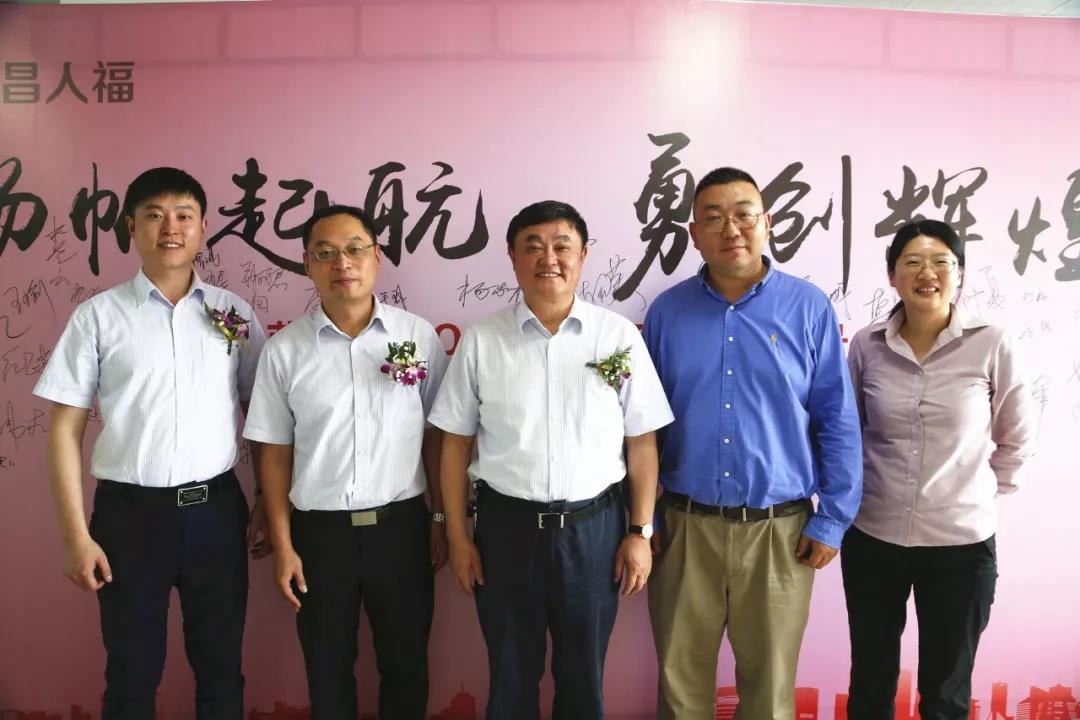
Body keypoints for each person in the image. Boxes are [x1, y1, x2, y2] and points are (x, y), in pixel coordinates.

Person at [34, 166, 268, 718]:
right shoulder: (98, 317)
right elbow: (64, 430)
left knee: (221, 669)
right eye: (155, 215)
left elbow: (263, 416)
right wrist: (75, 536)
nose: (170, 228)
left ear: (203, 227)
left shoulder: (232, 314)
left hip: (217, 513)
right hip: (130, 519)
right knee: (131, 675)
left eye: (184, 215)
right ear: (131, 227)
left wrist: (264, 500)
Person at [429, 200, 673, 719]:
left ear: (583, 256)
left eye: (562, 246)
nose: (549, 258)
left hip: (595, 531)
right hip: (505, 532)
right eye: (533, 247)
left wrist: (640, 531)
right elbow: (455, 444)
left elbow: (642, 442)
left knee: (583, 680)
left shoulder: (616, 337)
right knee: (510, 678)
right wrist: (458, 536)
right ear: (513, 257)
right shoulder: (482, 340)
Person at [643, 166, 862, 720]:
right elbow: (642, 426)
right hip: (684, 528)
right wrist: (642, 519)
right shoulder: (666, 312)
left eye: (743, 215)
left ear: (767, 222)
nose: (731, 229)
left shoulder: (808, 307)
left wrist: (833, 519)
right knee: (680, 692)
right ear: (694, 234)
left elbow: (836, 417)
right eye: (714, 218)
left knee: (770, 696)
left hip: (780, 533)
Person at [242, 204, 448, 719]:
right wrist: (284, 545)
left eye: (355, 249)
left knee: (406, 667)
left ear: (377, 257)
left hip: (401, 531)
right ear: (307, 263)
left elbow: (438, 438)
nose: (342, 263)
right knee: (327, 671)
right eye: (325, 253)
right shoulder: (285, 351)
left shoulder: (417, 337)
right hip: (319, 537)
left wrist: (440, 519)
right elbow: (274, 454)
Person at [842, 219, 1036, 720]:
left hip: (960, 545)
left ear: (960, 273)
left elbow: (1016, 438)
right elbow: (850, 431)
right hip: (875, 535)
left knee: (947, 692)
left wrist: (972, 494)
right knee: (870, 682)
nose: (927, 273)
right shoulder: (866, 344)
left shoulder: (992, 343)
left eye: (941, 262)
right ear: (892, 275)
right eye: (912, 262)